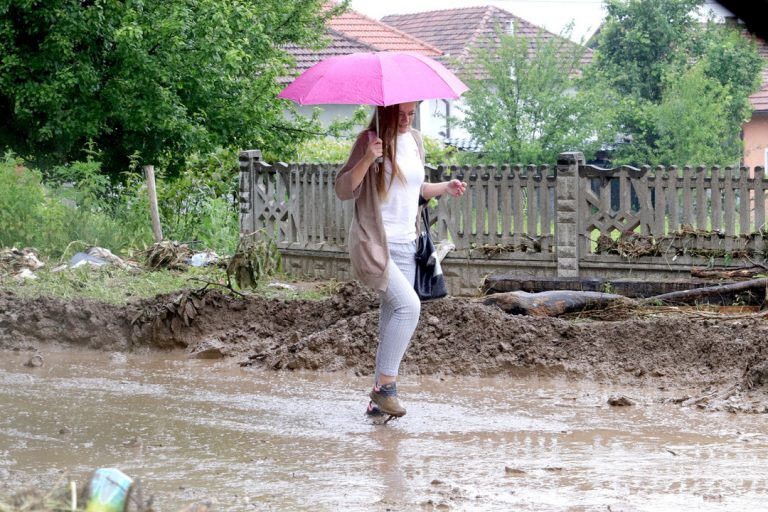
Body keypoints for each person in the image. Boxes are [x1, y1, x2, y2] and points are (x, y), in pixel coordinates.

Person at [335, 102, 466, 418]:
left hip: (409, 245)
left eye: (412, 114)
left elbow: (415, 191)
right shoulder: (370, 139)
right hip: (376, 244)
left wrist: (444, 188)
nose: (407, 120)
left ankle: (376, 403)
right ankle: (385, 388)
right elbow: (343, 190)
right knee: (409, 306)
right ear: (386, 111)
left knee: (392, 317)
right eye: (401, 114)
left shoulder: (416, 140)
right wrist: (368, 158)